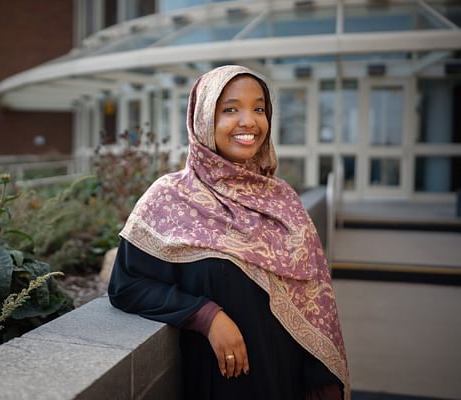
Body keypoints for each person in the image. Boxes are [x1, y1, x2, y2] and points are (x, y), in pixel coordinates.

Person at [108, 65, 350, 400]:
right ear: (204, 118)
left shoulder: (282, 201)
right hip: (224, 386)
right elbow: (128, 285)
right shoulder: (170, 199)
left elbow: (312, 299)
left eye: (259, 108)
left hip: (289, 382)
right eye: (231, 109)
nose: (249, 121)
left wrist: (323, 383)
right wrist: (206, 316)